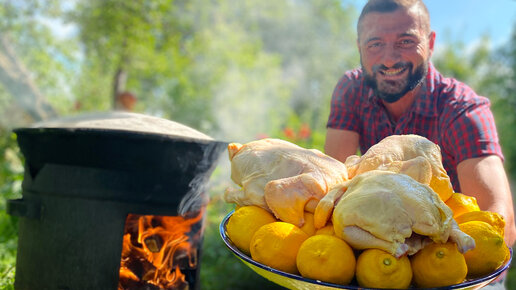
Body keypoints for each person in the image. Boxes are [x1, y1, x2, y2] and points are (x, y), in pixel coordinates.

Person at [324, 0, 516, 255]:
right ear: (360, 48)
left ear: (431, 43)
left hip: (454, 260)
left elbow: (500, 224)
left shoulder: (463, 110)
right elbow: (332, 184)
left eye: (405, 41)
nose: (389, 59)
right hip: (383, 254)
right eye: (375, 44)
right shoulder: (352, 90)